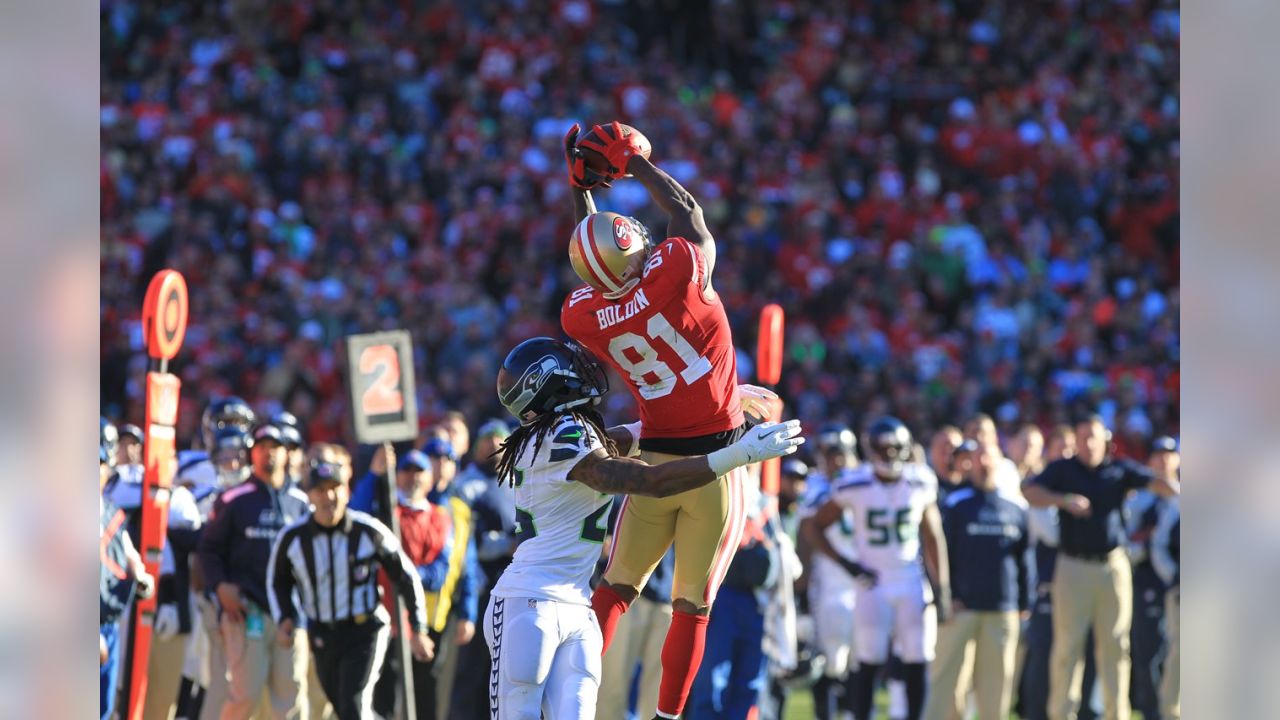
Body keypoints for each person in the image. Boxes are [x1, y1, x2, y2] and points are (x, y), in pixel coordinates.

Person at [559, 122, 771, 720]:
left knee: (615, 591)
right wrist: (634, 165)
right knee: (691, 606)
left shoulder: (584, 316)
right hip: (716, 467)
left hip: (652, 458)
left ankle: (567, 704)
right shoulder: (676, 271)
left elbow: (593, 259)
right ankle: (666, 718)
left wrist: (583, 189)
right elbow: (689, 213)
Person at [485, 336, 802, 720]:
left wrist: (718, 404)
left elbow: (626, 439)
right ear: (549, 381)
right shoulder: (563, 432)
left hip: (571, 604)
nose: (585, 370)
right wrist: (737, 455)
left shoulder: (557, 433)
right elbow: (647, 479)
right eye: (573, 365)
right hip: (529, 599)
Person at [1021, 415, 1179, 720]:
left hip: (1112, 566)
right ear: (1076, 441)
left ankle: (1115, 714)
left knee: (1115, 647)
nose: (1089, 444)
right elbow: (1030, 492)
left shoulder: (1118, 469)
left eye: (1094, 437)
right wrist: (1063, 500)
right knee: (1068, 646)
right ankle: (1061, 714)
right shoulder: (1062, 470)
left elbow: (1157, 483)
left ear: (1105, 440)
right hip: (1072, 566)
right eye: (1083, 438)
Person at [801, 417, 950, 720]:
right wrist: (848, 564)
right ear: (870, 451)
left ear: (907, 449)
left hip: (910, 578)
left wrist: (942, 586)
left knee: (918, 658)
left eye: (895, 448)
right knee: (867, 662)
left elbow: (933, 535)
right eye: (882, 449)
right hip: (873, 582)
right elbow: (814, 526)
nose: (890, 455)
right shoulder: (854, 484)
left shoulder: (920, 481)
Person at [267, 459, 434, 720]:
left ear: (347, 491)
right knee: (345, 706)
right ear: (309, 494)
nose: (328, 496)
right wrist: (285, 617)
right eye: (321, 490)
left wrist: (418, 628)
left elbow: (405, 575)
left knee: (352, 706)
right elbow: (277, 580)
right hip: (322, 634)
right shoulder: (293, 537)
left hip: (364, 630)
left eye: (335, 488)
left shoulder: (368, 531)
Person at [197, 423, 312, 720]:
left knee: (290, 699)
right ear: (253, 454)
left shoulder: (300, 504)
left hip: (289, 614)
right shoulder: (235, 499)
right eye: (262, 448)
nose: (269, 454)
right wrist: (221, 587)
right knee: (244, 695)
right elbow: (208, 551)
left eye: (275, 448)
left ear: (287, 454)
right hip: (248, 612)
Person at [924, 440, 1031, 720]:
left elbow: (1024, 560)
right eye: (978, 457)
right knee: (946, 685)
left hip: (1002, 608)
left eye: (989, 457)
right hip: (961, 608)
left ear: (999, 462)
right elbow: (937, 552)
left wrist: (1023, 602)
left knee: (996, 689)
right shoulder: (955, 504)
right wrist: (945, 596)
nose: (983, 463)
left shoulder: (1014, 508)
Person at [370, 448, 456, 720]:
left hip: (425, 619)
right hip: (385, 615)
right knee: (383, 693)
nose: (412, 477)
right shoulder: (386, 512)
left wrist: (406, 577)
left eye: (419, 471)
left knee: (424, 693)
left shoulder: (440, 517)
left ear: (429, 479)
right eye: (406, 470)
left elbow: (440, 570)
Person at [688, 489, 782, 720]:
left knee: (750, 680)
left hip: (756, 601)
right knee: (713, 679)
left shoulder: (765, 504)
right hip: (723, 593)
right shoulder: (724, 490)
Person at [796, 424, 861, 720]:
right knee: (826, 658)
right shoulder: (815, 486)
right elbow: (805, 537)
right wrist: (802, 584)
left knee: (860, 658)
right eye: (828, 454)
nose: (834, 461)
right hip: (828, 582)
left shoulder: (864, 481)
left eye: (840, 454)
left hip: (861, 582)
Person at [101, 438, 156, 720]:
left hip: (109, 618)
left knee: (105, 705)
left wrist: (140, 574)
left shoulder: (111, 511)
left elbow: (127, 550)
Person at [1124, 436, 1177, 719]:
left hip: (1180, 585)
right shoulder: (1139, 500)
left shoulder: (1184, 497)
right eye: (1158, 455)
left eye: (1169, 454)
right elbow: (1126, 545)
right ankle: (1151, 711)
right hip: (1147, 582)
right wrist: (1147, 544)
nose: (1164, 460)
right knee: (1148, 652)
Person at [1149, 467, 1179, 720]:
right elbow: (1160, 545)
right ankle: (1170, 714)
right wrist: (1175, 577)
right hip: (1183, 592)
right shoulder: (1179, 503)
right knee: (1180, 654)